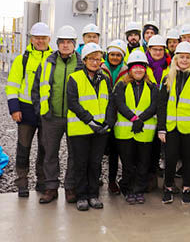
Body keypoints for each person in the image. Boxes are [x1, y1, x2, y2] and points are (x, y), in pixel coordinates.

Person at [32, 25, 81, 204]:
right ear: (57, 44)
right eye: (62, 42)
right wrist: (40, 110)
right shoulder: (47, 63)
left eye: (69, 42)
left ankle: (70, 187)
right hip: (51, 117)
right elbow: (36, 88)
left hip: (75, 117)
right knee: (50, 153)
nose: (65, 45)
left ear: (74, 44)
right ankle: (51, 188)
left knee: (74, 154)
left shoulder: (81, 63)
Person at [66, 43, 115, 211]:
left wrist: (108, 121)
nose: (95, 62)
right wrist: (90, 121)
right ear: (85, 60)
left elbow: (110, 102)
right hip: (81, 129)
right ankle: (81, 196)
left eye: (98, 59)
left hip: (100, 131)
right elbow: (73, 103)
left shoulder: (104, 79)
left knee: (95, 163)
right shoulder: (74, 78)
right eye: (92, 59)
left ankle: (93, 195)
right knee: (81, 164)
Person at [6, 22, 53, 197]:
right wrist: (14, 108)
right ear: (31, 39)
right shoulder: (22, 59)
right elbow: (12, 85)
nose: (40, 41)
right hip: (26, 110)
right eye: (37, 38)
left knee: (44, 148)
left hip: (46, 111)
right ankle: (22, 182)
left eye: (43, 38)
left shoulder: (54, 59)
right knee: (23, 147)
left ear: (49, 39)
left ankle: (42, 181)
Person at [157, 41, 190, 205]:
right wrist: (161, 128)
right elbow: (161, 105)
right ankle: (168, 187)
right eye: (181, 57)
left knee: (187, 159)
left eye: (187, 58)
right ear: (176, 59)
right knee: (170, 158)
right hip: (171, 128)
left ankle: (186, 188)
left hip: (189, 128)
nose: (184, 60)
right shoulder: (167, 78)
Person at [112, 51, 159, 204]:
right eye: (135, 67)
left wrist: (141, 119)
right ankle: (127, 188)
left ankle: (139, 189)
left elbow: (154, 105)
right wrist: (134, 118)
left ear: (145, 69)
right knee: (128, 163)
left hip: (144, 131)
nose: (138, 70)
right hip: (125, 132)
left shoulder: (152, 86)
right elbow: (120, 104)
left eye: (141, 67)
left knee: (143, 163)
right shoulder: (121, 85)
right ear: (130, 69)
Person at [100, 39, 129, 196]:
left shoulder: (127, 72)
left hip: (119, 117)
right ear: (107, 55)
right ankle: (96, 179)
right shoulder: (100, 69)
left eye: (118, 55)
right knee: (99, 150)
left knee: (115, 151)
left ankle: (113, 181)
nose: (115, 58)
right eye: (112, 55)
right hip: (101, 115)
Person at [145, 34, 170, 191]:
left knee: (163, 148)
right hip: (147, 112)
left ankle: (162, 178)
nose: (158, 52)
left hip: (166, 112)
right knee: (148, 147)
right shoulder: (143, 65)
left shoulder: (170, 66)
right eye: (155, 49)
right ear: (149, 49)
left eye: (161, 50)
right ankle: (149, 177)